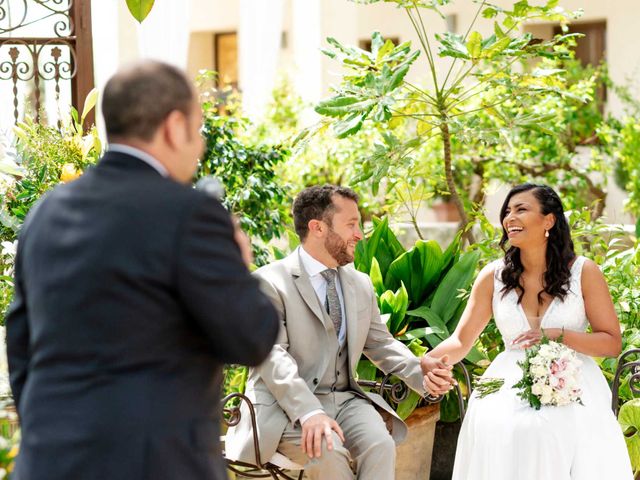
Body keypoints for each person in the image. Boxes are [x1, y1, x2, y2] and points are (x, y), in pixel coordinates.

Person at [5, 60, 279, 480]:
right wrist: (239, 270)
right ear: (173, 127)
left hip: (49, 462)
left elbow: (21, 342)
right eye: (198, 128)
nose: (200, 145)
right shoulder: (189, 214)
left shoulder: (47, 212)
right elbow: (251, 338)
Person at [225, 184, 454, 480]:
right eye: (351, 224)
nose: (359, 234)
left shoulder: (359, 283)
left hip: (345, 401)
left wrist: (419, 371)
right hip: (285, 408)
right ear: (318, 228)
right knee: (326, 451)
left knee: (380, 445)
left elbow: (380, 343)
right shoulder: (267, 283)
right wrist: (308, 412)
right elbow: (272, 357)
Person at [424, 183, 633, 479]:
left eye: (521, 209)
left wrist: (557, 335)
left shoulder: (584, 272)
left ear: (549, 220)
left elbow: (611, 343)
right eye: (507, 211)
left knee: (548, 432)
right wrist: (428, 360)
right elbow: (460, 340)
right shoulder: (492, 276)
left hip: (572, 380)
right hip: (506, 383)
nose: (510, 217)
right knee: (501, 428)